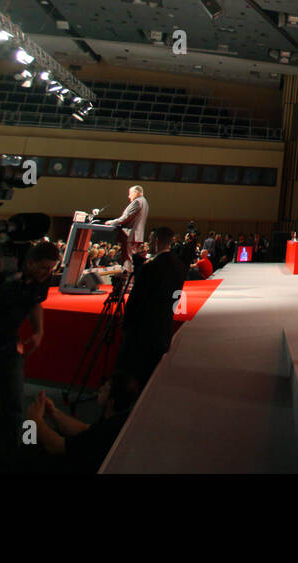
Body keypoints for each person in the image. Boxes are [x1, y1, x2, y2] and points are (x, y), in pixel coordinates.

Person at [0, 240, 58, 472]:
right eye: (43, 268)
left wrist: (39, 331)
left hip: (10, 344)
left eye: (51, 269)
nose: (47, 274)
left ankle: (1, 465)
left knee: (14, 408)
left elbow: (35, 303)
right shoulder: (2, 273)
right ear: (29, 262)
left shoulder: (41, 277)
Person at [23, 372, 141, 473]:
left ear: (111, 401)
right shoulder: (119, 418)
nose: (99, 389)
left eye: (105, 389)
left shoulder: (108, 430)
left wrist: (35, 420)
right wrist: (54, 413)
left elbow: (57, 446)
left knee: (30, 446)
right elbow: (85, 429)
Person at [116, 226, 185, 387]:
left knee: (136, 372)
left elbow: (138, 298)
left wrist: (126, 323)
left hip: (143, 329)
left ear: (156, 241)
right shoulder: (179, 266)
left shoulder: (151, 267)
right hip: (164, 326)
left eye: (150, 239)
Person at [105, 185, 149, 268]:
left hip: (130, 235)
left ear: (135, 192)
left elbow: (126, 217)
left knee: (128, 260)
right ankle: (130, 278)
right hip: (137, 236)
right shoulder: (144, 202)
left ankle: (127, 278)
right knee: (133, 259)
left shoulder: (137, 201)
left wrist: (112, 222)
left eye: (130, 194)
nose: (129, 196)